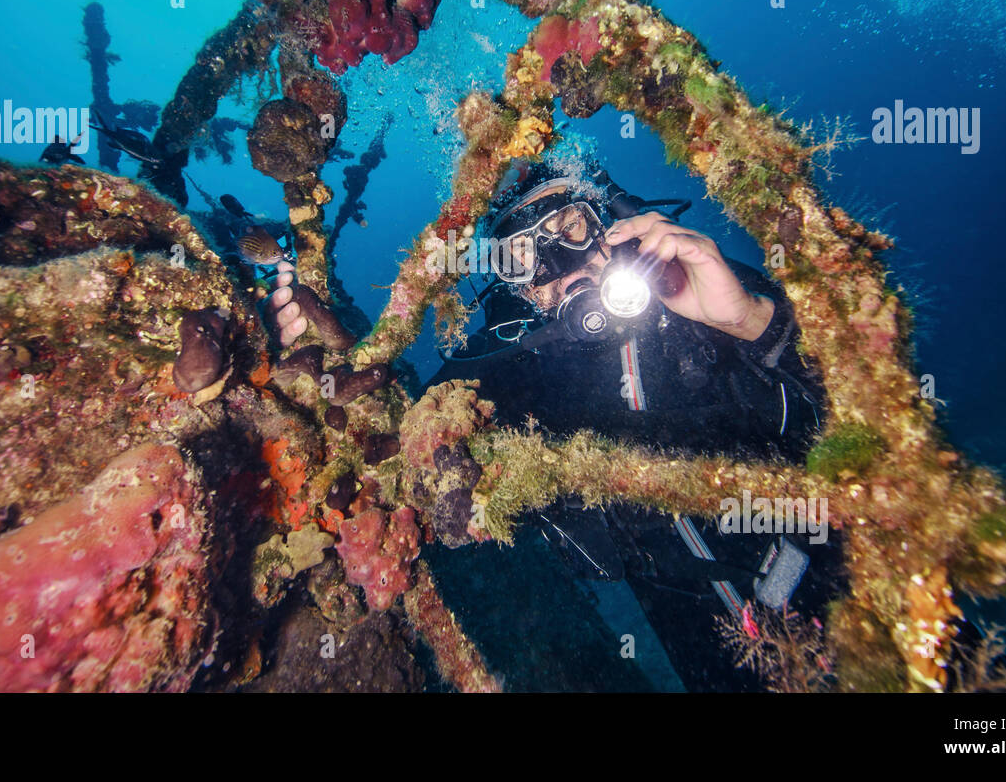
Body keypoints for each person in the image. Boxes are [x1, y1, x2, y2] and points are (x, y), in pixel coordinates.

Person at [266, 162, 835, 690]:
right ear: (514, 287)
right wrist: (323, 362)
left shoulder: (694, 288)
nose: (560, 268)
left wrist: (750, 322)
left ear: (610, 228)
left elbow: (844, 410)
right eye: (524, 257)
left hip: (835, 570)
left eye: (571, 228)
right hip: (704, 646)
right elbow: (404, 433)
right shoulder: (504, 368)